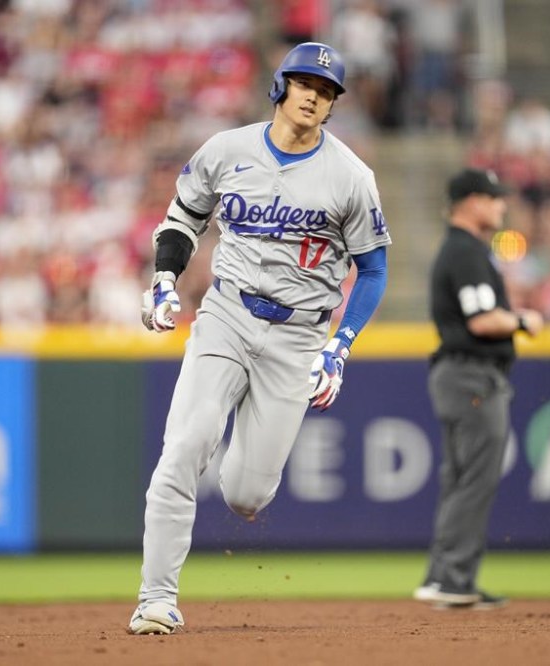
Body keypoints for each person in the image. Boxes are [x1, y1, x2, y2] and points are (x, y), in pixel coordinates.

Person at [127, 42, 392, 635]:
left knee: (248, 495)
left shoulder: (350, 176)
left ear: (331, 107)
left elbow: (372, 269)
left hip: (299, 335)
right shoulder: (227, 150)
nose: (313, 96)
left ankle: (236, 466)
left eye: (325, 92)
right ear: (281, 87)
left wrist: (340, 343)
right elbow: (183, 217)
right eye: (304, 84)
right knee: (184, 447)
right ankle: (156, 599)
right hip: (225, 313)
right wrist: (166, 279)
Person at [413, 167, 543, 610]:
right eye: (492, 197)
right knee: (474, 480)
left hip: (458, 374)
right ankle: (452, 579)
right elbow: (483, 320)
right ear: (470, 201)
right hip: (471, 375)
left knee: (460, 479)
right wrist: (523, 320)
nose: (500, 204)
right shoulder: (466, 251)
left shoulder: (462, 250)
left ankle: (443, 576)